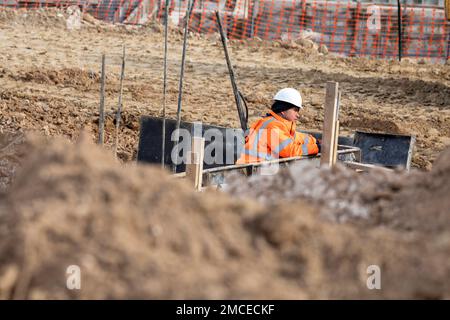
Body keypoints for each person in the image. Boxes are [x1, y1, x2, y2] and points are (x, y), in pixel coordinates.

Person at [236, 88, 320, 164]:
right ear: (283, 110)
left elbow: (296, 137)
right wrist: (316, 148)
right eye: (295, 110)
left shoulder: (280, 124)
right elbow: (290, 150)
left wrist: (314, 141)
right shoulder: (272, 126)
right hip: (253, 169)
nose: (298, 115)